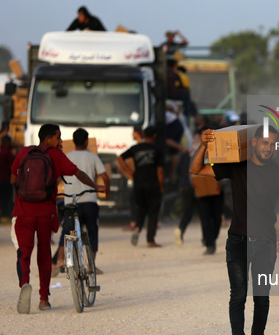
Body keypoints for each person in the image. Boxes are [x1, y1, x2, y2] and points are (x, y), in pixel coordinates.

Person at [190, 125, 279, 335]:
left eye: (272, 144)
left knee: (261, 298)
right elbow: (195, 169)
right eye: (264, 143)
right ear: (254, 142)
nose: (268, 148)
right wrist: (204, 144)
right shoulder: (238, 165)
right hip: (237, 241)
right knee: (237, 296)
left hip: (266, 242)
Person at [11, 123, 105, 314]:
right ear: (47, 139)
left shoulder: (24, 152)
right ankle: (44, 299)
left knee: (24, 252)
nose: (61, 141)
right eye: (58, 137)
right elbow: (78, 173)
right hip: (45, 212)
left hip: (22, 212)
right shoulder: (54, 155)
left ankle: (24, 285)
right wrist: (95, 186)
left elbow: (13, 179)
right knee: (44, 254)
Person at [52, 128, 110, 275]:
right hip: (89, 200)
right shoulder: (93, 157)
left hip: (71, 201)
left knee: (66, 232)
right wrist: (106, 193)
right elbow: (105, 177)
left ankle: (59, 261)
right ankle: (91, 266)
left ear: (73, 141)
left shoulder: (66, 156)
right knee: (92, 232)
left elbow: (56, 179)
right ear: (86, 142)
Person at [116, 125, 164, 247]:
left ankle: (137, 228)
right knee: (153, 211)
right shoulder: (157, 150)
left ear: (143, 134)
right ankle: (150, 240)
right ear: (155, 136)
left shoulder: (135, 148)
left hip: (138, 183)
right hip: (153, 184)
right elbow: (160, 171)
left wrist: (128, 171)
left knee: (141, 208)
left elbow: (120, 158)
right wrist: (161, 186)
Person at [0, 135, 15, 223]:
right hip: (6, 178)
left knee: (0, 198)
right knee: (5, 198)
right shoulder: (7, 152)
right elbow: (12, 166)